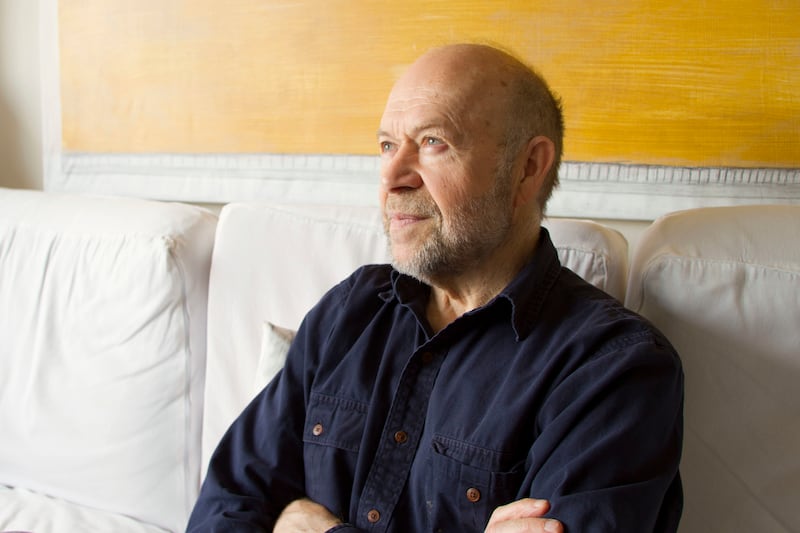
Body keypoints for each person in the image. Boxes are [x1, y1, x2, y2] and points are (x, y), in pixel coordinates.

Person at [187, 43, 683, 533]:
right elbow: (226, 505)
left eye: (432, 142)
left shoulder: (613, 368)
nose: (392, 176)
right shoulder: (350, 311)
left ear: (528, 166)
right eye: (387, 145)